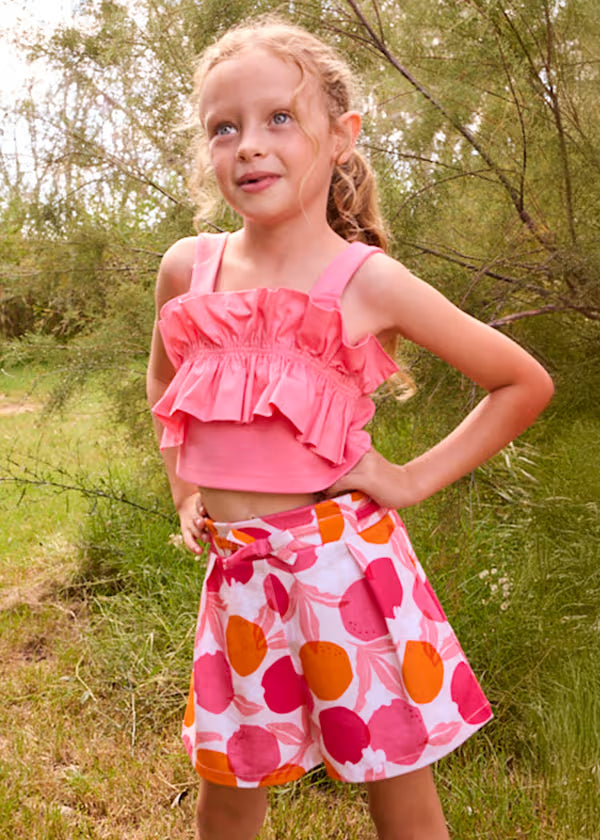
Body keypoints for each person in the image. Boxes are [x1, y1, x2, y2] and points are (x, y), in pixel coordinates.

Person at [146, 17, 554, 840]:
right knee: (229, 784)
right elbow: (164, 383)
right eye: (224, 127)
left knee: (394, 783)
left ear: (341, 137)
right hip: (239, 578)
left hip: (344, 573)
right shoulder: (190, 269)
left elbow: (522, 383)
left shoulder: (368, 282)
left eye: (279, 119)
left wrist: (408, 480)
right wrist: (186, 486)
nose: (249, 145)